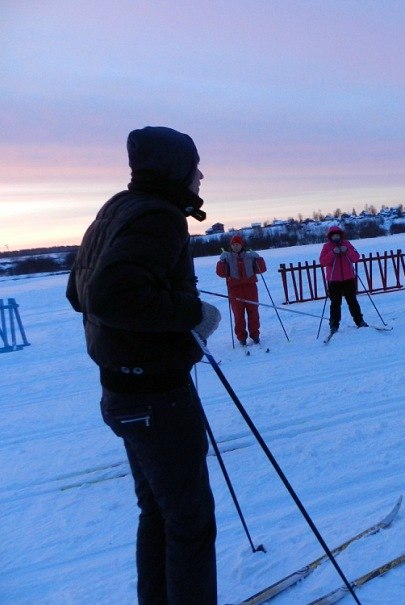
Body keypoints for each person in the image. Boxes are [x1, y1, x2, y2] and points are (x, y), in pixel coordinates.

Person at [66, 126, 220, 604]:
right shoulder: (158, 216)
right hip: (157, 397)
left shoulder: (117, 207)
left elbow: (79, 293)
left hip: (125, 393)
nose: (201, 174)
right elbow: (110, 295)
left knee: (159, 512)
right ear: (175, 169)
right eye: (195, 165)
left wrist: (164, 303)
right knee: (190, 522)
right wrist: (192, 314)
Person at [216, 234, 267, 346]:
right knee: (238, 316)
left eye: (237, 244)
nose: (235, 246)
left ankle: (255, 335)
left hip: (251, 289)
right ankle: (241, 337)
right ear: (231, 246)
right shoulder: (227, 258)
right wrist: (221, 262)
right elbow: (221, 273)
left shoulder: (249, 257)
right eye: (233, 245)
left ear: (242, 245)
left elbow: (262, 269)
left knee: (253, 313)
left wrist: (258, 258)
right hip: (234, 290)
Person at [319, 225, 368, 333]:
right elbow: (322, 262)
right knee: (335, 303)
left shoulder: (347, 244)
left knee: (352, 301)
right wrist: (333, 253)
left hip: (349, 278)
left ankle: (359, 321)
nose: (336, 237)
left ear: (340, 235)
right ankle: (334, 325)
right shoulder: (326, 247)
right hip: (334, 280)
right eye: (333, 236)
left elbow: (356, 257)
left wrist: (347, 251)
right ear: (330, 237)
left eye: (337, 235)